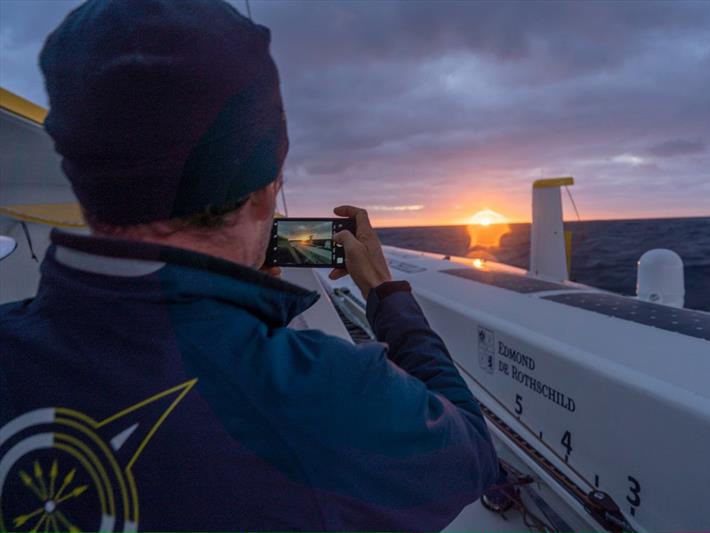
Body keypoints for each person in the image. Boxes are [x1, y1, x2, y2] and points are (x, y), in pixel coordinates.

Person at [0, 0, 499, 531]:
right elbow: (472, 455)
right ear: (265, 195)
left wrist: (234, 321)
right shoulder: (332, 395)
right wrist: (383, 289)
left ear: (81, 181)